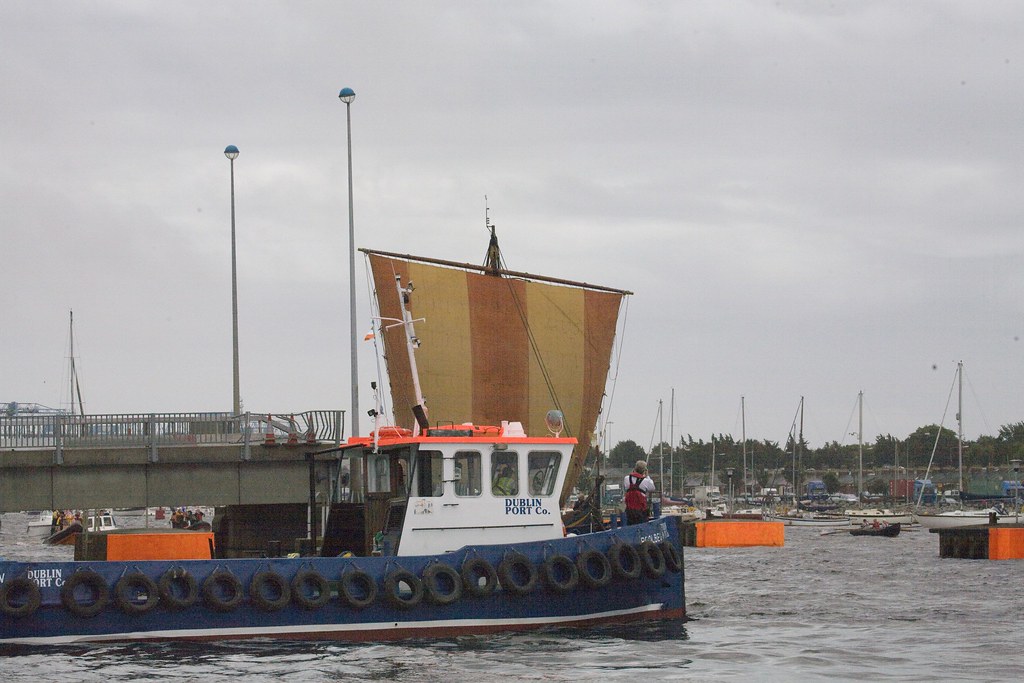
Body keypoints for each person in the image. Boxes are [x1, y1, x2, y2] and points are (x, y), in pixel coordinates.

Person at [624, 460, 656, 525]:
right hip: (641, 512)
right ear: (644, 470)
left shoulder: (627, 478)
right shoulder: (646, 481)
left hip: (629, 511)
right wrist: (647, 476)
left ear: (635, 468)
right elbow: (652, 488)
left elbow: (626, 487)